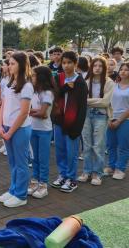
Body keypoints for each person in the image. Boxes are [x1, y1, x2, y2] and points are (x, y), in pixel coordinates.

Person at [0, 52, 33, 208]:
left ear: (21, 65)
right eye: (9, 63)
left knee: (21, 162)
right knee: (12, 162)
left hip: (19, 129)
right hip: (7, 126)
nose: (9, 66)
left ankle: (21, 194)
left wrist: (10, 131)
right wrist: (0, 125)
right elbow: (4, 106)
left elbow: (24, 112)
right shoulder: (8, 83)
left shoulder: (27, 85)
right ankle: (13, 190)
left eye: (13, 63)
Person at [51, 51, 88, 193]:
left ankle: (72, 179)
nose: (66, 66)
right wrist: (65, 87)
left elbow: (82, 108)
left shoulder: (80, 82)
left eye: (69, 63)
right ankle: (63, 175)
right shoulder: (58, 77)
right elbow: (54, 94)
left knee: (71, 152)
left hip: (72, 124)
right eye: (64, 62)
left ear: (75, 64)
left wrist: (77, 127)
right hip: (60, 121)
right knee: (60, 150)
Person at [78, 57, 114, 186]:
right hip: (86, 115)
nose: (97, 68)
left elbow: (105, 102)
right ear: (91, 67)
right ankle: (86, 171)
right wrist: (97, 101)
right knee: (87, 145)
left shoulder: (109, 82)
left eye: (100, 66)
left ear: (104, 68)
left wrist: (88, 101)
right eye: (95, 65)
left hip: (101, 115)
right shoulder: (86, 81)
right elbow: (81, 99)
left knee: (98, 146)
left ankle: (97, 173)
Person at [28, 66, 55, 199]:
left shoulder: (47, 93)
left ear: (41, 77)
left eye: (33, 75)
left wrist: (28, 112)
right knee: (35, 158)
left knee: (43, 158)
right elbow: (36, 111)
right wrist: (34, 112)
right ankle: (34, 181)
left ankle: (43, 184)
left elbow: (43, 114)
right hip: (33, 128)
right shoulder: (33, 92)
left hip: (44, 130)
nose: (31, 77)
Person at [105, 62, 129, 180]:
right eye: (122, 69)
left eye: (126, 70)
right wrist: (109, 118)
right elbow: (108, 103)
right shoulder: (113, 85)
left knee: (123, 146)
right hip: (111, 118)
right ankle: (111, 166)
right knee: (111, 145)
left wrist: (119, 121)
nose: (123, 71)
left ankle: (120, 168)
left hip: (125, 120)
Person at [0, 59, 10, 155]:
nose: (2, 67)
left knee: (6, 124)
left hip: (8, 104)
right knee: (1, 123)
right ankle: (4, 144)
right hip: (2, 102)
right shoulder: (3, 77)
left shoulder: (11, 78)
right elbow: (0, 89)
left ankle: (8, 146)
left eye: (4, 65)